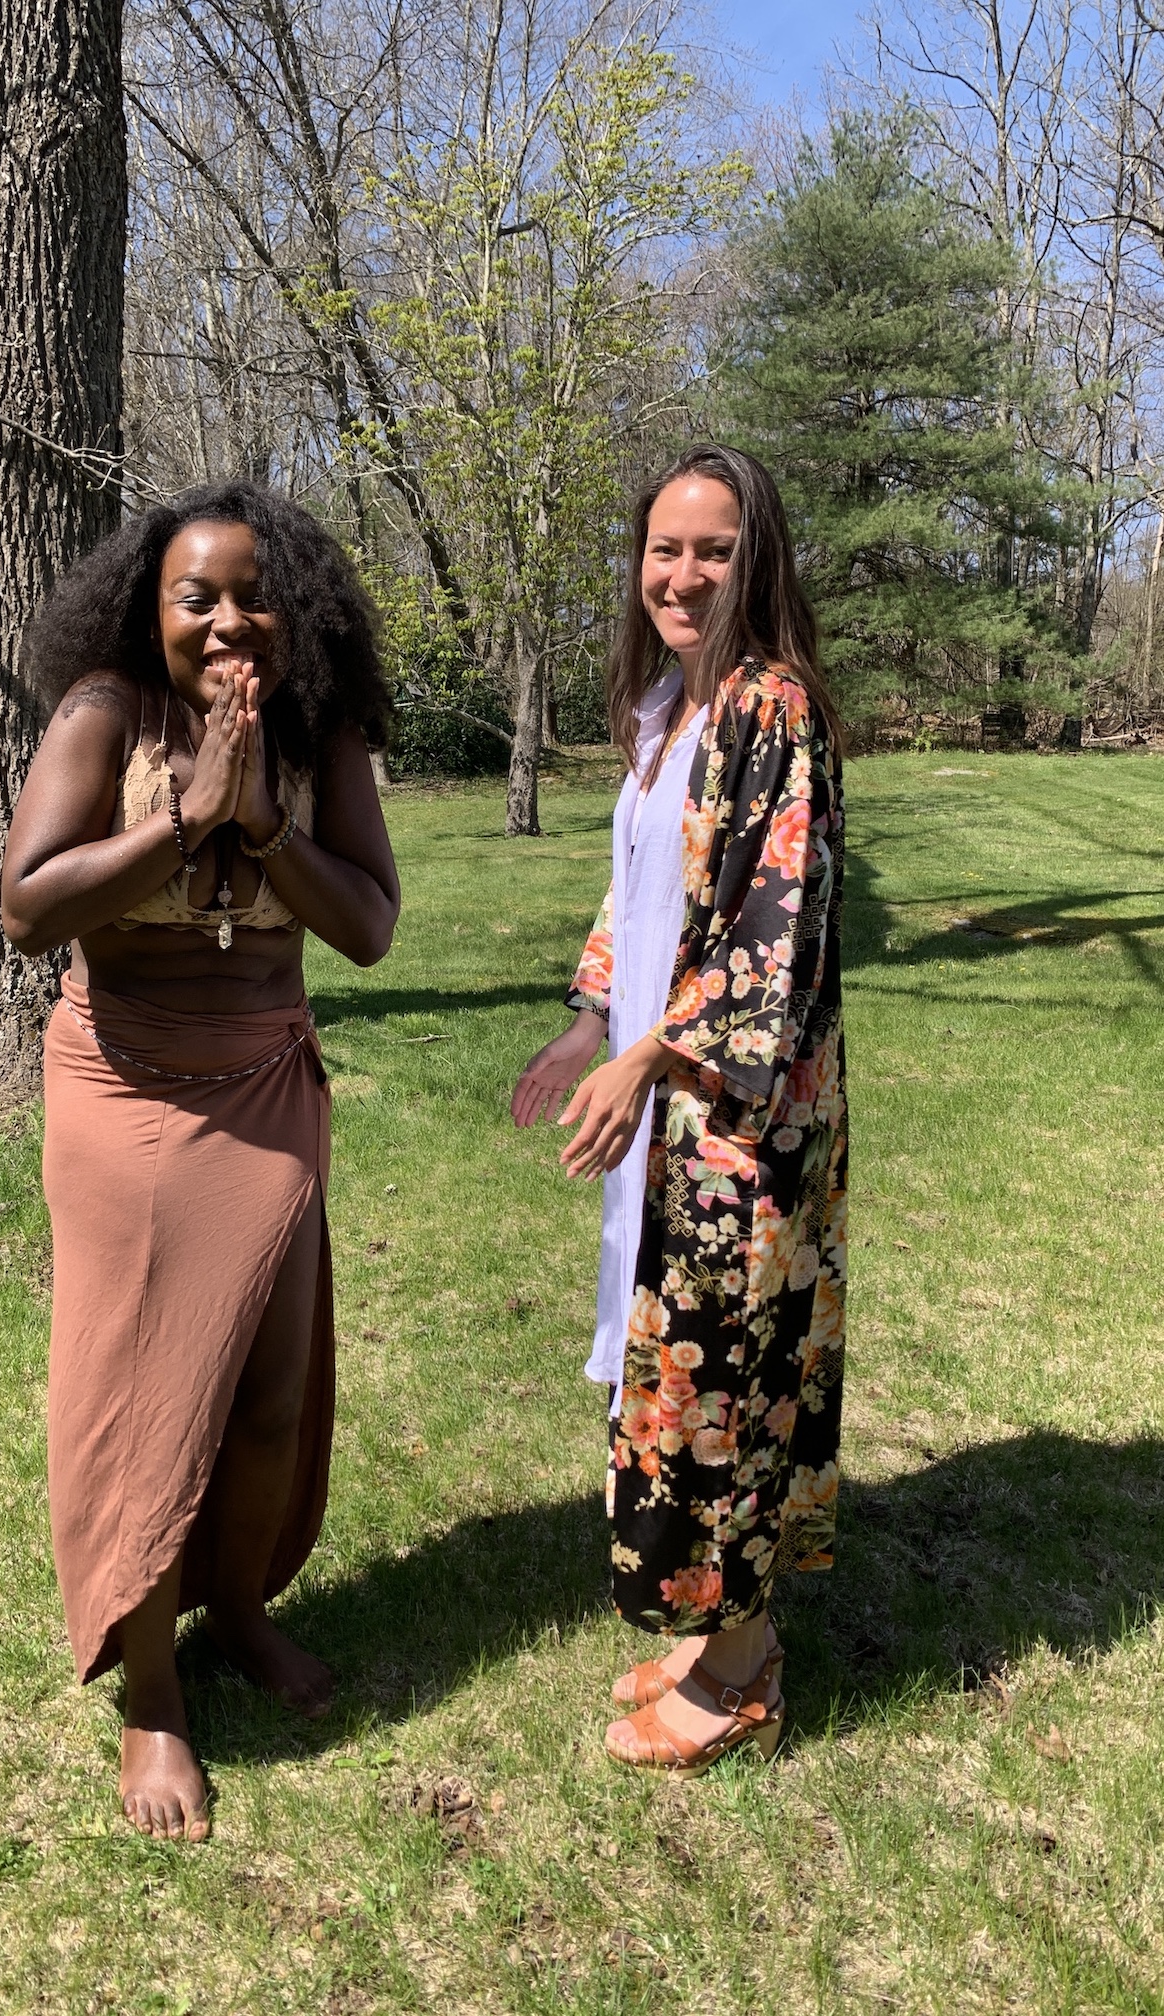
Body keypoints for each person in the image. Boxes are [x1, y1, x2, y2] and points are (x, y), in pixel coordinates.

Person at [2, 482, 400, 1840]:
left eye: (254, 593)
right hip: (121, 1086)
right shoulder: (104, 716)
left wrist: (266, 824)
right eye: (198, 597)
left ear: (300, 606)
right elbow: (26, 905)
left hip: (267, 1086)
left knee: (272, 1398)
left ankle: (235, 1610)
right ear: (150, 608)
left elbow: (371, 926)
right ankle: (153, 1692)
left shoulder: (321, 733)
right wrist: (184, 819)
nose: (231, 620)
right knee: (144, 1397)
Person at [512, 444, 847, 1776]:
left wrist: (651, 1058)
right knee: (676, 1372)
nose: (684, 573)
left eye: (713, 549)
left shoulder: (773, 707)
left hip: (737, 1123)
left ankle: (748, 1664)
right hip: (665, 1095)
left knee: (735, 1382)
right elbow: (640, 900)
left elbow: (775, 936)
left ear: (753, 559)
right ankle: (710, 1632)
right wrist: (592, 1019)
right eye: (665, 547)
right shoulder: (667, 713)